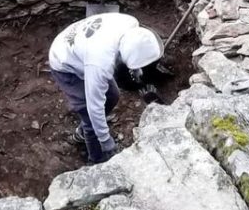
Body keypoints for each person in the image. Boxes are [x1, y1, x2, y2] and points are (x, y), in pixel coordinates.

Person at [48, 13, 164, 164]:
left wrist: (136, 69)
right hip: (64, 62)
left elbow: (136, 50)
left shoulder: (130, 23)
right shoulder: (100, 63)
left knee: (112, 96)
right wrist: (105, 139)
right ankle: (96, 159)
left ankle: (89, 130)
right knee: (90, 118)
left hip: (82, 46)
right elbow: (94, 107)